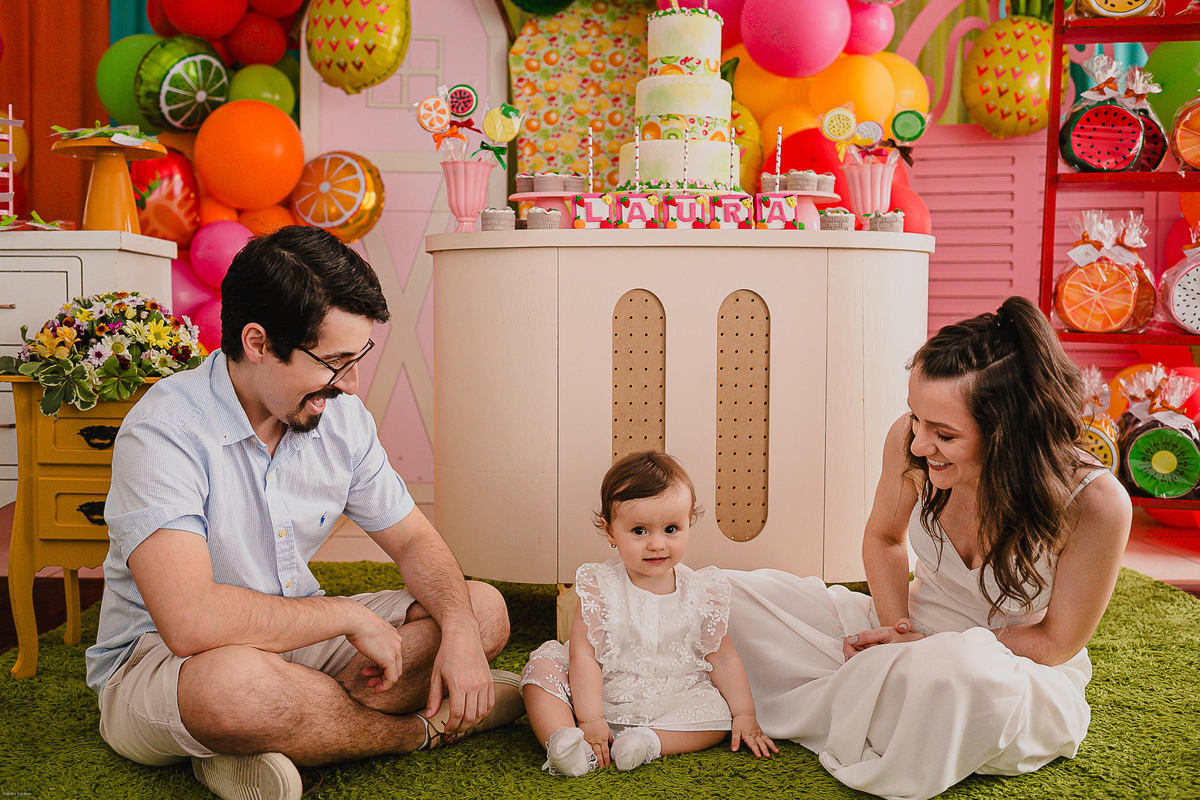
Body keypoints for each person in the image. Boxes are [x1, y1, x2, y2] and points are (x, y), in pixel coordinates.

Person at [84, 226, 523, 800]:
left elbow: (414, 540)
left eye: (358, 357)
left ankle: (273, 733)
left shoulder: (337, 418)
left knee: (482, 607)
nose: (351, 384)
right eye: (334, 362)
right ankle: (414, 731)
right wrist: (347, 617)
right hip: (167, 661)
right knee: (235, 691)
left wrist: (461, 633)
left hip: (296, 632)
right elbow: (190, 621)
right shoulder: (164, 430)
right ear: (259, 342)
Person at [724, 296, 1132, 800]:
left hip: (1002, 670)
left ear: (1012, 433)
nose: (918, 444)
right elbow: (884, 538)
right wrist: (896, 631)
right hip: (909, 627)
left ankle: (868, 696)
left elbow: (1054, 643)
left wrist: (928, 651)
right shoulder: (910, 439)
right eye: (916, 419)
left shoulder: (1094, 503)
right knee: (729, 596)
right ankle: (871, 688)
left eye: (944, 433)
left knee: (955, 679)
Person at [520, 451, 778, 777]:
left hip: (673, 698)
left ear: (689, 523)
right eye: (640, 531)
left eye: (671, 529)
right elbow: (583, 655)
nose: (657, 544)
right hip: (599, 694)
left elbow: (724, 659)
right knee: (540, 671)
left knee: (716, 720)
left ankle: (649, 743)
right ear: (610, 531)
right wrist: (590, 720)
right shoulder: (600, 586)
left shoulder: (701, 590)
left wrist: (744, 714)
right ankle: (563, 741)